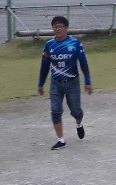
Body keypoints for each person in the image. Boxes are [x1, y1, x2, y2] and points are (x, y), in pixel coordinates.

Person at [37, 16, 92, 150]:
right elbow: (44, 65)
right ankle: (61, 140)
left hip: (72, 83)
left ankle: (79, 123)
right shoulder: (49, 45)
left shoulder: (75, 43)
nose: (57, 29)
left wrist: (87, 81)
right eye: (54, 27)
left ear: (66, 28)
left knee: (76, 111)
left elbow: (83, 63)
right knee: (55, 111)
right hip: (56, 83)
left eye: (60, 26)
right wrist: (41, 84)